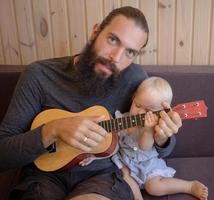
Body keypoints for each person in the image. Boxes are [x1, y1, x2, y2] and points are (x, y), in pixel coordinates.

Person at [0, 6, 182, 200]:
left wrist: (162, 138)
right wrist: (52, 130)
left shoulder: (134, 79)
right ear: (95, 32)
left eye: (130, 52)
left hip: (102, 178)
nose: (116, 57)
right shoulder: (38, 75)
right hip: (42, 177)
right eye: (112, 40)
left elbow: (155, 150)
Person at [109, 77, 208, 200]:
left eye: (148, 111)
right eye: (137, 105)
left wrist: (148, 130)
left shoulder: (153, 128)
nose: (140, 113)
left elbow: (144, 147)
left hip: (147, 165)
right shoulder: (122, 119)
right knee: (125, 177)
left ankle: (189, 186)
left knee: (154, 187)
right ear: (133, 97)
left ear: (161, 113)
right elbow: (109, 139)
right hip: (125, 162)